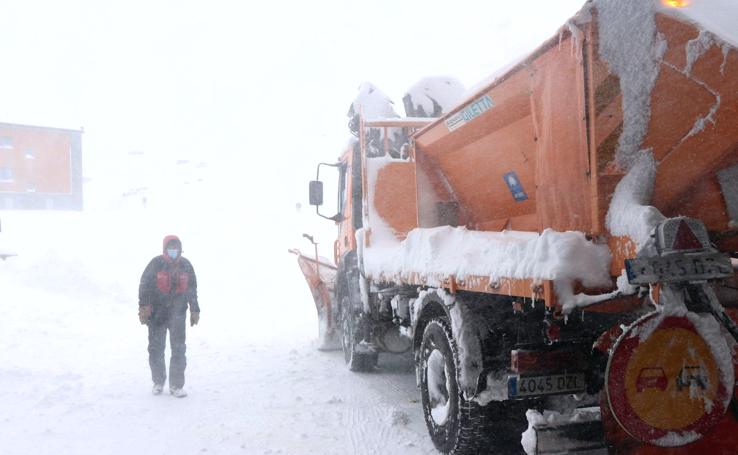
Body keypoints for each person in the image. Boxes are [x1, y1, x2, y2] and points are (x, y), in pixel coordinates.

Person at [138, 235, 200, 398]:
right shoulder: (156, 264)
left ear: (180, 248)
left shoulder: (186, 265)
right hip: (157, 316)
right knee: (156, 349)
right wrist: (143, 307)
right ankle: (158, 382)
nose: (173, 251)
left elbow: (192, 289)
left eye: (176, 247)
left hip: (177, 316)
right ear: (165, 249)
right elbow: (144, 285)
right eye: (170, 248)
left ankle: (176, 385)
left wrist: (195, 309)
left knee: (179, 350)